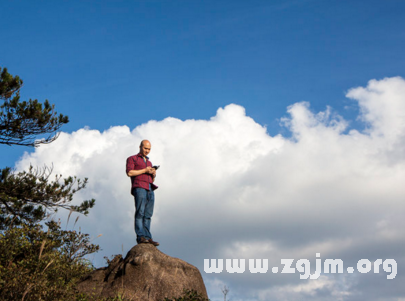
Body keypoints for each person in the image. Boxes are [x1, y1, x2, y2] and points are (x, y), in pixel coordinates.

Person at [126, 139, 159, 246]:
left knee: (148, 214)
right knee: (140, 212)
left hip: (150, 188)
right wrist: (145, 170)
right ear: (140, 147)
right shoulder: (132, 159)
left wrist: (153, 174)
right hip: (139, 187)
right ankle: (140, 236)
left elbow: (152, 179)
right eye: (145, 148)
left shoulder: (149, 162)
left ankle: (148, 237)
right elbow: (130, 172)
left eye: (149, 149)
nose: (147, 151)